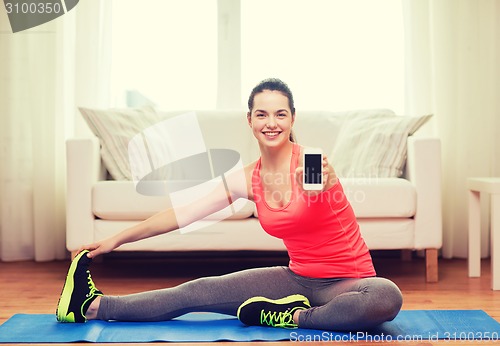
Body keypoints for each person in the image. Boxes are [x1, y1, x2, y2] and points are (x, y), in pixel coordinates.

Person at [56, 78, 403, 331]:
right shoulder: (245, 178)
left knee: (386, 296)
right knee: (195, 291)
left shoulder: (312, 164)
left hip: (350, 282)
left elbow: (320, 190)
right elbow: (183, 213)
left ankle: (291, 317)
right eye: (262, 114)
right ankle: (93, 306)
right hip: (296, 280)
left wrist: (323, 183)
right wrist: (115, 239)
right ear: (249, 120)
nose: (271, 123)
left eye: (280, 114)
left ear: (292, 119)